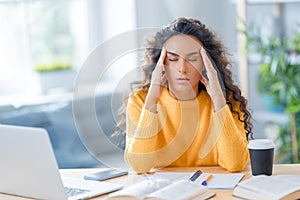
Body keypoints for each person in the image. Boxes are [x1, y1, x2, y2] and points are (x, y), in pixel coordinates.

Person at [114, 17, 253, 174]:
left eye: (192, 59)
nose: (182, 69)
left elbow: (235, 164)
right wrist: (152, 99)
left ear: (206, 64)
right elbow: (139, 166)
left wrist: (219, 101)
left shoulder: (227, 101)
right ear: (161, 64)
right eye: (172, 59)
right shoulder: (140, 100)